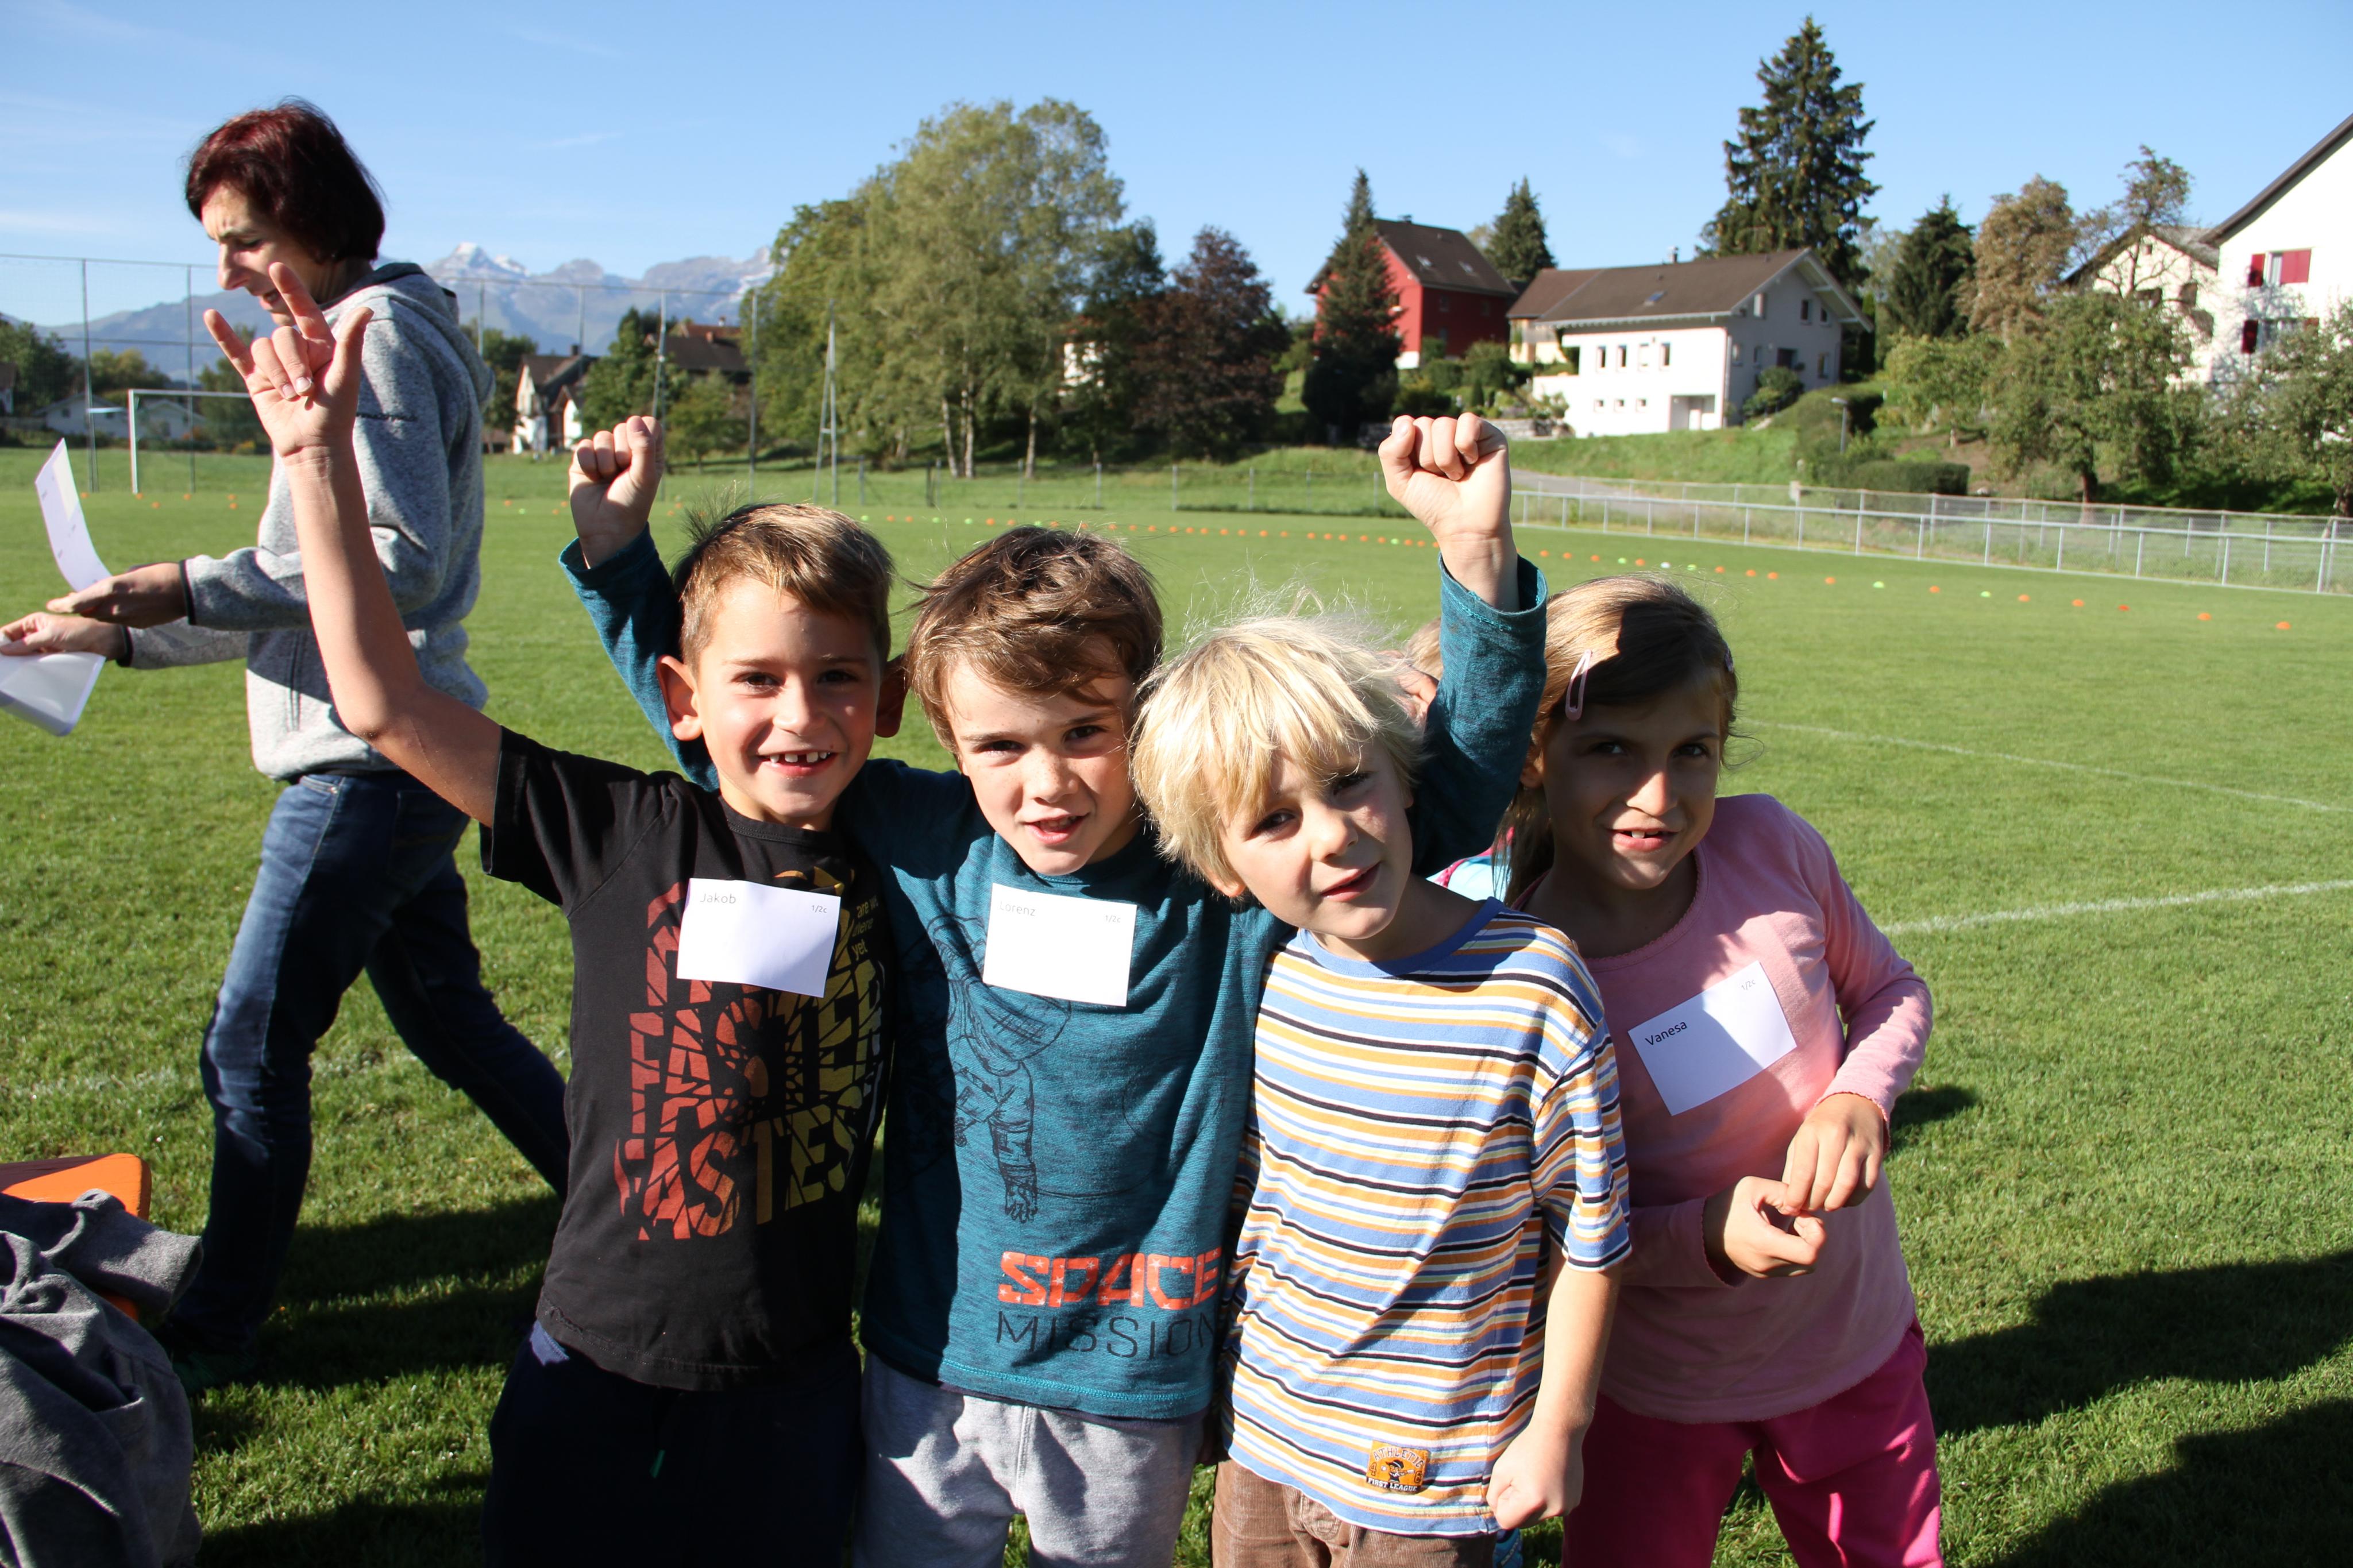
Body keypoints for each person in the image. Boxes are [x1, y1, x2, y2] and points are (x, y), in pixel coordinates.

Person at [566, 414, 1549, 1567]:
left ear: (1146, 716)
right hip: (929, 1358)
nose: (1047, 785)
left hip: (1129, 1375)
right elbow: (745, 750)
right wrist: (618, 559)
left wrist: (1476, 560)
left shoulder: (1216, 867)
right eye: (1001, 746)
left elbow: (1444, 804)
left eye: (1087, 732)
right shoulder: (921, 842)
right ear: (944, 734)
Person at [208, 268, 888, 1563]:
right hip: (594, 1363)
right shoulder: (619, 832)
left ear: (887, 697)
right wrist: (314, 461)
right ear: (684, 699)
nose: (798, 715)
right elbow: (381, 702)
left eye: (836, 678)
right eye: (756, 680)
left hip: (795, 1380)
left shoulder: (904, 853)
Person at [0, 100, 566, 1390]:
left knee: (250, 1046)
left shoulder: (371, 338)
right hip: (390, 753)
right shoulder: (355, 329)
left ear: (314, 221)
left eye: (246, 237)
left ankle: (219, 1322)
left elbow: (396, 563)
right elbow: (308, 587)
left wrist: (181, 585)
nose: (227, 271)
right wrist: (111, 631)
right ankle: (638, 1212)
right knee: (453, 1024)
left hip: (366, 766)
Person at [1445, 574, 1941, 1567]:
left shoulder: (1773, 846)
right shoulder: (1527, 972)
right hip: (1652, 1389)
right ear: (1538, 755)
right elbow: (1553, 1229)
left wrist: (1859, 1095)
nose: (1658, 796)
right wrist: (1705, 1234)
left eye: (1691, 752)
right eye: (1611, 750)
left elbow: (1893, 988)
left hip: (1853, 1341)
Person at [1125, 618, 1629, 1567]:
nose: (1333, 833)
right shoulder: (1268, 977)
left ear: (1404, 775)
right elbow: (1254, 1198)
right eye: (1274, 820)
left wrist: (1560, 1423)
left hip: (1429, 1469)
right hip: (1265, 1434)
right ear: (1224, 867)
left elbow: (1592, 1236)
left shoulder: (1533, 982)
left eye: (1349, 779)